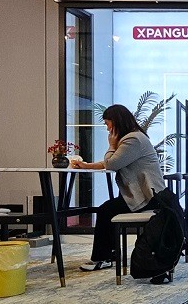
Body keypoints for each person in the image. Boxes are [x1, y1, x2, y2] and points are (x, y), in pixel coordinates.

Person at [71, 104, 166, 272]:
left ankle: (102, 257)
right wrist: (87, 165)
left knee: (105, 211)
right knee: (107, 209)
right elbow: (112, 162)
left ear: (116, 122)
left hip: (149, 197)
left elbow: (112, 164)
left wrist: (112, 145)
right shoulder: (133, 137)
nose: (107, 128)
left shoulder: (133, 140)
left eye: (107, 123)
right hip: (148, 195)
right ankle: (110, 255)